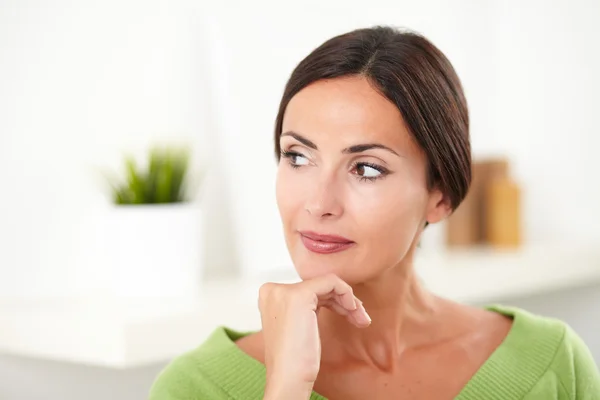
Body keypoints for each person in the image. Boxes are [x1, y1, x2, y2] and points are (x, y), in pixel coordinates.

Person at [149, 26, 600, 399]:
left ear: (439, 196)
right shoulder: (194, 388)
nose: (319, 204)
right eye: (298, 157)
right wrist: (286, 386)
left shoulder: (550, 364)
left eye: (366, 168)